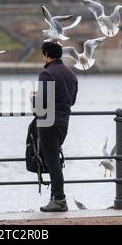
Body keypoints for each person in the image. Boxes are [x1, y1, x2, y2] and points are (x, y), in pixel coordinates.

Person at [31, 42, 78, 212]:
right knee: (54, 160)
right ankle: (56, 197)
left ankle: (59, 199)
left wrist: (33, 98)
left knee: (52, 162)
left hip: (47, 123)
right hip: (63, 122)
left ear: (46, 55)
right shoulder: (71, 75)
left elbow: (41, 106)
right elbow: (71, 101)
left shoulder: (46, 73)